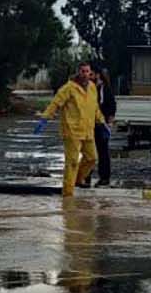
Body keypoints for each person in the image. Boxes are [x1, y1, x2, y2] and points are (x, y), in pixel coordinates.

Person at [38, 64, 100, 197]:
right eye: (82, 71)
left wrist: (102, 122)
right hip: (71, 130)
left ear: (90, 73)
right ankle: (68, 194)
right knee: (72, 162)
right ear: (78, 72)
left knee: (92, 158)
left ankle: (77, 179)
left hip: (88, 130)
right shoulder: (68, 88)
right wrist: (45, 118)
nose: (85, 74)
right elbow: (56, 103)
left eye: (87, 71)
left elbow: (95, 107)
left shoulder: (92, 88)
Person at [88, 59, 117, 189]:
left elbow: (111, 105)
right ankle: (85, 177)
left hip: (101, 125)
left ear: (97, 75)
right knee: (88, 153)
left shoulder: (104, 89)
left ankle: (104, 178)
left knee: (102, 152)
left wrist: (109, 123)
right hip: (88, 124)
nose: (89, 77)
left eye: (91, 74)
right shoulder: (88, 88)